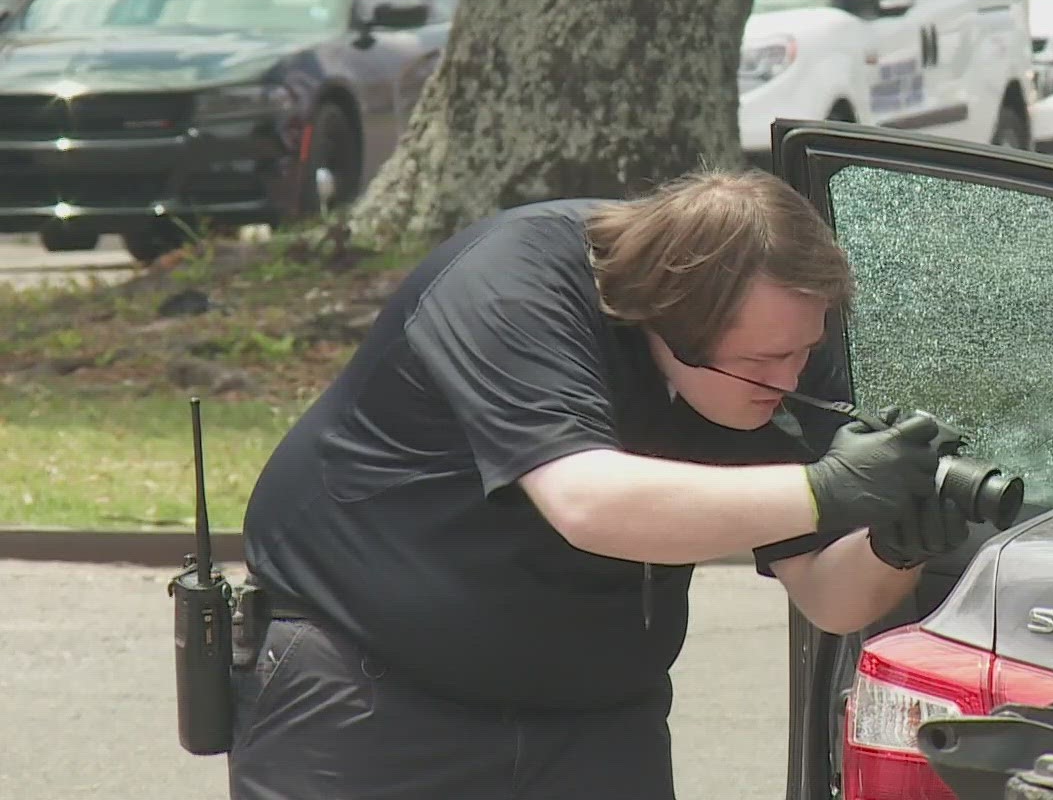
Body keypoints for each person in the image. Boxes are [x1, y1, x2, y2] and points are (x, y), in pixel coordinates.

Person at [227, 169, 970, 800]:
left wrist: (891, 541)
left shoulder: (786, 338)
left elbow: (830, 597)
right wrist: (833, 488)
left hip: (597, 720)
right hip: (369, 698)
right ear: (669, 323)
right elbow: (586, 501)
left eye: (805, 351)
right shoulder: (517, 284)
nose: (792, 379)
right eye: (765, 361)